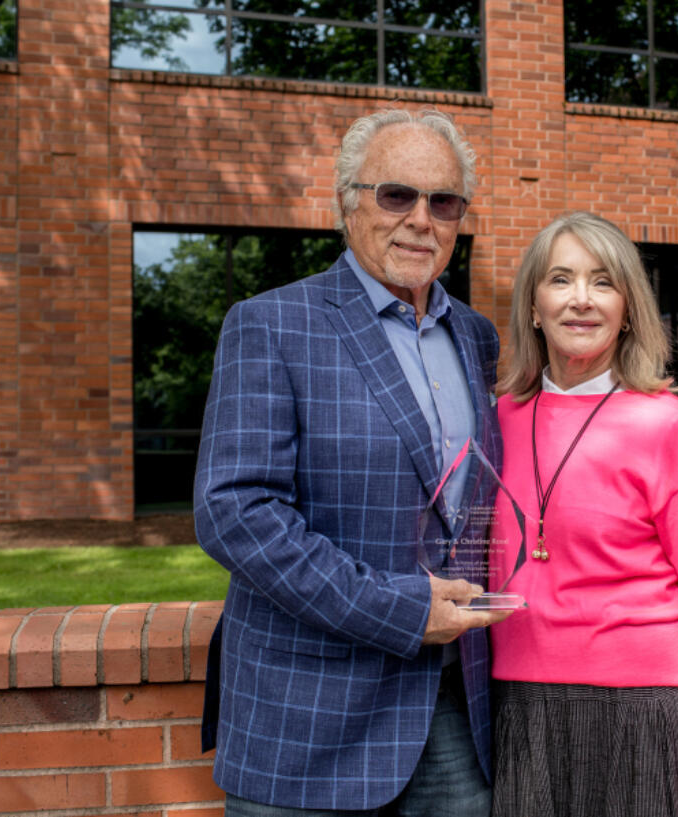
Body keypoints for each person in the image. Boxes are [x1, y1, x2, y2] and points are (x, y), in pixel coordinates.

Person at [194, 108, 511, 817]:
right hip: (307, 725)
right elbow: (235, 513)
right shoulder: (270, 323)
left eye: (444, 201)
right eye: (396, 195)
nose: (421, 219)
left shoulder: (478, 338)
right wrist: (398, 607)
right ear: (348, 203)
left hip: (452, 718)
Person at [487, 212, 678, 817]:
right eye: (560, 280)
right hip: (520, 714)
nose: (581, 300)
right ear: (533, 307)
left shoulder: (671, 427)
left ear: (629, 309)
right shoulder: (497, 422)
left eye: (604, 282)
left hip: (647, 716)